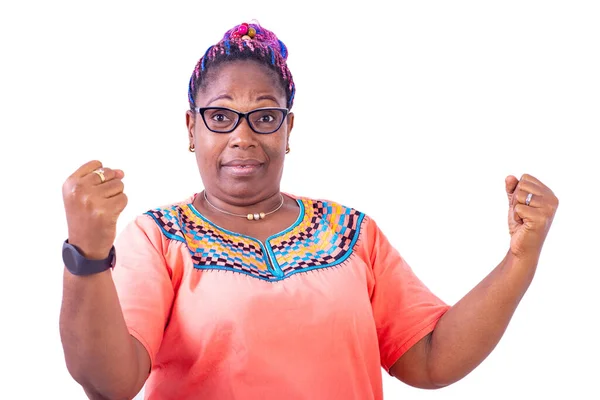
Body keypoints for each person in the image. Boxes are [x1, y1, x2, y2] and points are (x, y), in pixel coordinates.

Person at [59, 21, 559, 400]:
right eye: (220, 115)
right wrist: (85, 253)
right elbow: (110, 383)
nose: (242, 134)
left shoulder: (349, 232)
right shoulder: (158, 237)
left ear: (288, 130)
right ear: (191, 129)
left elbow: (431, 358)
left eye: (265, 115)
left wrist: (520, 259)